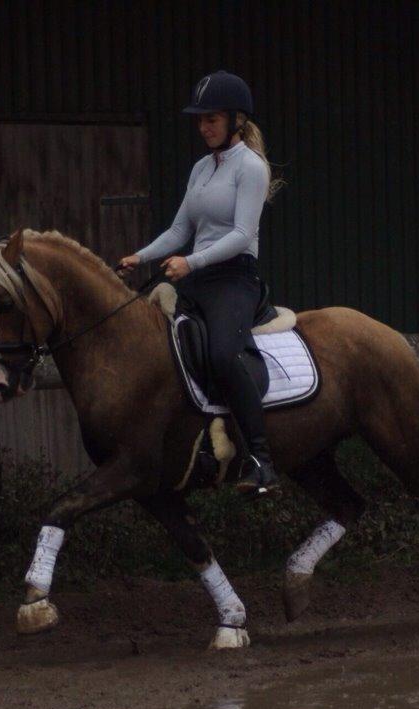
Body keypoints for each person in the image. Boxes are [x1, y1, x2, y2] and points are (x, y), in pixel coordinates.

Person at [117, 70, 285, 496]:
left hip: (233, 279)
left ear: (236, 120)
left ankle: (260, 459)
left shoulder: (251, 167)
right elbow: (178, 230)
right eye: (200, 119)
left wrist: (191, 263)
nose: (203, 127)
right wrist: (142, 256)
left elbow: (242, 234)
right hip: (196, 276)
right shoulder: (199, 169)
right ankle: (196, 446)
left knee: (223, 354)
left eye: (211, 119)